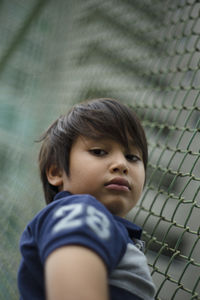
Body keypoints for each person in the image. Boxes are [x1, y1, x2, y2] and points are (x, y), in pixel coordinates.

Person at [18, 98, 156, 300]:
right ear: (56, 171)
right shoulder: (81, 211)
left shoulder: (101, 224)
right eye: (99, 152)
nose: (121, 164)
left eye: (132, 157)